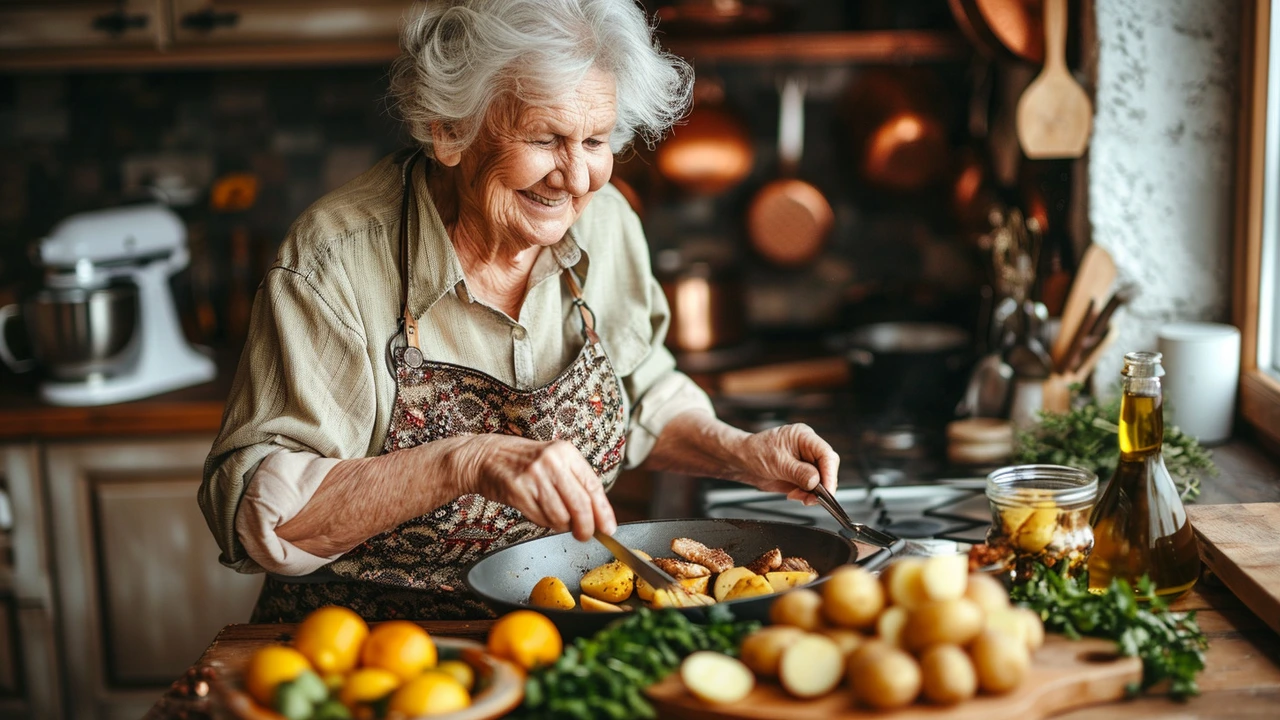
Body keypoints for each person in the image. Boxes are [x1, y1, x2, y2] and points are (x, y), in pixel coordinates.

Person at [200, 0, 840, 622]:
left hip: (556, 628)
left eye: (594, 139)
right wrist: (468, 460)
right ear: (449, 130)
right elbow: (261, 515)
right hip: (375, 649)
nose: (575, 176)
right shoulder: (334, 261)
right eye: (544, 138)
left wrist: (741, 451)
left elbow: (641, 392)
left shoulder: (608, 221)